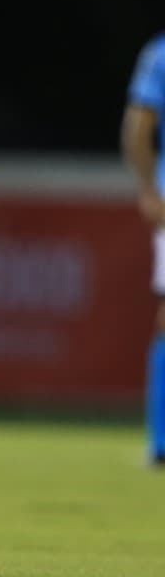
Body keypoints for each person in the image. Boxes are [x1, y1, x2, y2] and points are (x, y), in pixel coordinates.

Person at [120, 31, 165, 467]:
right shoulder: (159, 54)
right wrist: (151, 189)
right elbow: (139, 126)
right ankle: (162, 441)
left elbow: (137, 124)